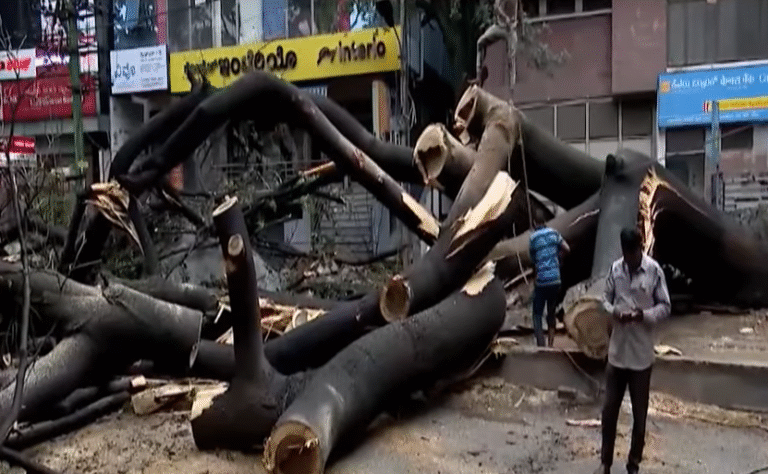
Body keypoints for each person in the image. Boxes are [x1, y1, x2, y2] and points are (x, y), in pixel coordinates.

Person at [595, 227, 671, 474]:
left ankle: (633, 463)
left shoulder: (654, 271)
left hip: (641, 357)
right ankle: (605, 462)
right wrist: (614, 312)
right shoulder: (616, 269)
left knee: (639, 416)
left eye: (633, 254)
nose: (629, 259)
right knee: (609, 411)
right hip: (617, 354)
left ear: (640, 248)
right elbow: (604, 300)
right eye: (626, 254)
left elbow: (665, 306)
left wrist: (643, 316)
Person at [529, 212, 570, 347]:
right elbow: (567, 248)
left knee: (537, 313)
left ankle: (541, 345)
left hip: (542, 281)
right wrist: (559, 259)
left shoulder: (533, 238)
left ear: (534, 223)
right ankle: (551, 345)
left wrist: (536, 276)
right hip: (555, 279)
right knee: (551, 312)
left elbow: (533, 261)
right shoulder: (554, 233)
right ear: (545, 221)